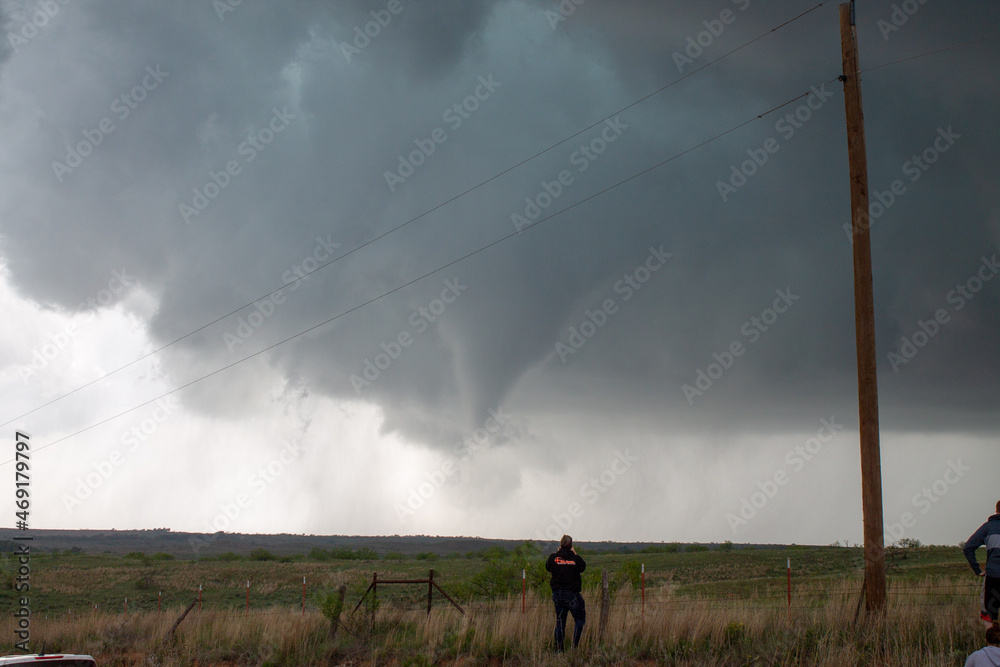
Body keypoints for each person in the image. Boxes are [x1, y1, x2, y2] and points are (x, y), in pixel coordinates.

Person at [546, 534, 586, 652]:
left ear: (560, 544)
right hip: (572, 595)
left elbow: (548, 567)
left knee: (560, 622)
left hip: (557, 595)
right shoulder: (575, 559)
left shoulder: (553, 557)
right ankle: (574, 647)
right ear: (571, 545)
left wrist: (558, 555)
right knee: (579, 620)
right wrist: (575, 554)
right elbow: (582, 567)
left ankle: (559, 650)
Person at [964, 501, 1000, 621]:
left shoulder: (988, 527)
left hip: (993, 576)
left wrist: (977, 570)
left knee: (989, 615)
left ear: (996, 511)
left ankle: (992, 638)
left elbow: (968, 547)